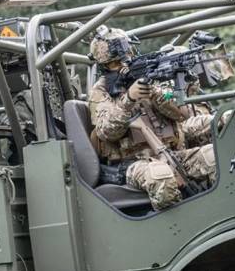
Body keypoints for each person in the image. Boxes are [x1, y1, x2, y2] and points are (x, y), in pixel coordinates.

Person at [88, 26, 217, 211]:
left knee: (215, 156)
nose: (124, 66)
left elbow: (181, 114)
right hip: (133, 164)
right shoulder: (100, 92)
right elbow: (107, 132)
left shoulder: (148, 78)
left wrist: (155, 94)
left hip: (172, 154)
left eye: (126, 58)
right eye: (115, 63)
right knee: (160, 176)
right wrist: (129, 99)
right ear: (104, 67)